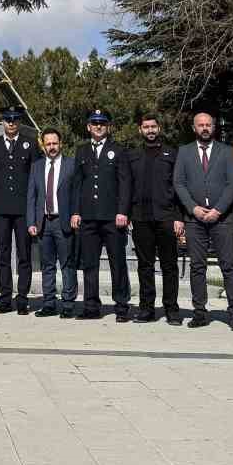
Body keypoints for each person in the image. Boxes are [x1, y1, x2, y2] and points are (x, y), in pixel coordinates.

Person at [173, 111, 233, 329]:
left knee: (228, 266)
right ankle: (200, 312)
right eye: (200, 125)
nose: (204, 128)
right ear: (194, 128)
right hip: (195, 219)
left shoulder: (227, 152)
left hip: (221, 219)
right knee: (197, 266)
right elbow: (179, 183)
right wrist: (193, 208)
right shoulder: (183, 152)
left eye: (208, 125)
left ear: (214, 127)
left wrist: (218, 210)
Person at [74, 109, 133, 322]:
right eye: (94, 123)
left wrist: (123, 211)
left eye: (102, 123)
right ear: (88, 126)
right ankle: (91, 306)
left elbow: (125, 183)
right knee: (90, 263)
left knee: (118, 263)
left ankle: (121, 307)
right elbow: (77, 184)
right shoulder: (81, 151)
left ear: (108, 127)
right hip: (89, 217)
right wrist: (75, 212)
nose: (98, 126)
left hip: (112, 217)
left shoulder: (118, 150)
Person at [128, 113, 182, 324]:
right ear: (140, 130)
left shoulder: (172, 153)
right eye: (146, 127)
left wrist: (178, 217)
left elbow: (178, 187)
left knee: (170, 265)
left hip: (166, 217)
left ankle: (172, 310)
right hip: (141, 218)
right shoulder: (132, 155)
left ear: (159, 129)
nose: (149, 130)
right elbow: (127, 186)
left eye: (153, 127)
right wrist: (128, 213)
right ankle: (146, 309)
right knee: (145, 265)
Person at [0, 107, 38, 314]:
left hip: (23, 208)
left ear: (19, 122)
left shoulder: (30, 144)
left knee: (24, 255)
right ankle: (5, 298)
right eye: (7, 119)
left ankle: (23, 298)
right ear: (2, 122)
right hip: (0, 208)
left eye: (15, 120)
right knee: (3, 254)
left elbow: (35, 178)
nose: (11, 123)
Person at [28, 128, 78, 317]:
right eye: (48, 144)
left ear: (61, 143)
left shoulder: (71, 165)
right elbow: (31, 196)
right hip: (43, 222)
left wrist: (76, 214)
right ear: (43, 145)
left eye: (54, 143)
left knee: (67, 264)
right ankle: (49, 303)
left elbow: (76, 193)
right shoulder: (37, 166)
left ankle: (67, 304)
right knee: (47, 265)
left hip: (63, 222)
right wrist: (31, 221)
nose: (52, 147)